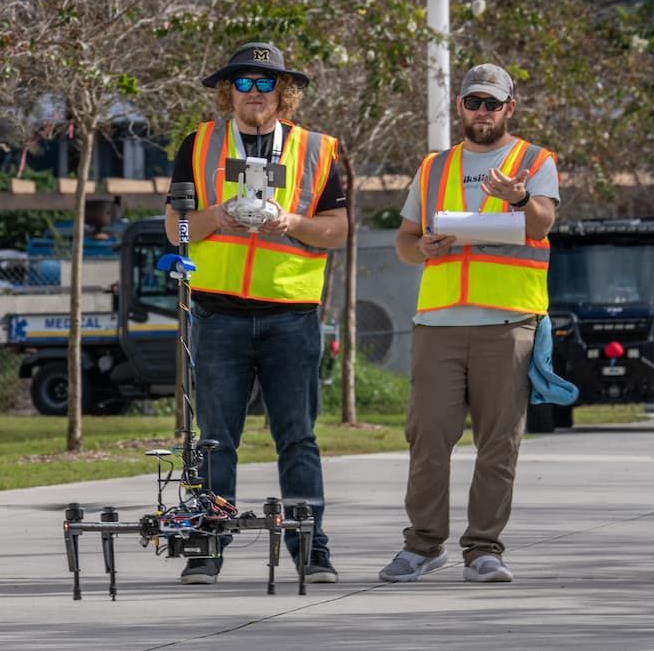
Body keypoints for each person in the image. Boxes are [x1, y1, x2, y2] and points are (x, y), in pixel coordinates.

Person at [164, 41, 348, 585]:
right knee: (215, 437)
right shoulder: (198, 145)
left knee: (297, 437)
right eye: (242, 83)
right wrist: (216, 215)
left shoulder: (318, 149)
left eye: (265, 83)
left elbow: (337, 232)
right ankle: (207, 546)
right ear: (228, 92)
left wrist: (289, 222)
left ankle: (310, 547)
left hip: (291, 314)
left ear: (283, 92)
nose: (253, 93)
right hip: (218, 314)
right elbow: (173, 229)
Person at [379, 64, 559, 584]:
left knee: (499, 441)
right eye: (474, 102)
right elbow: (405, 241)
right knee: (428, 436)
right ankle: (422, 545)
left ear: (510, 108)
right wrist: (423, 248)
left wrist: (520, 198)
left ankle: (483, 549)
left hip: (508, 321)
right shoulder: (433, 167)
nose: (483, 112)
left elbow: (544, 223)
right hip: (438, 321)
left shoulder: (535, 161)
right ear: (459, 106)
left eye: (493, 104)